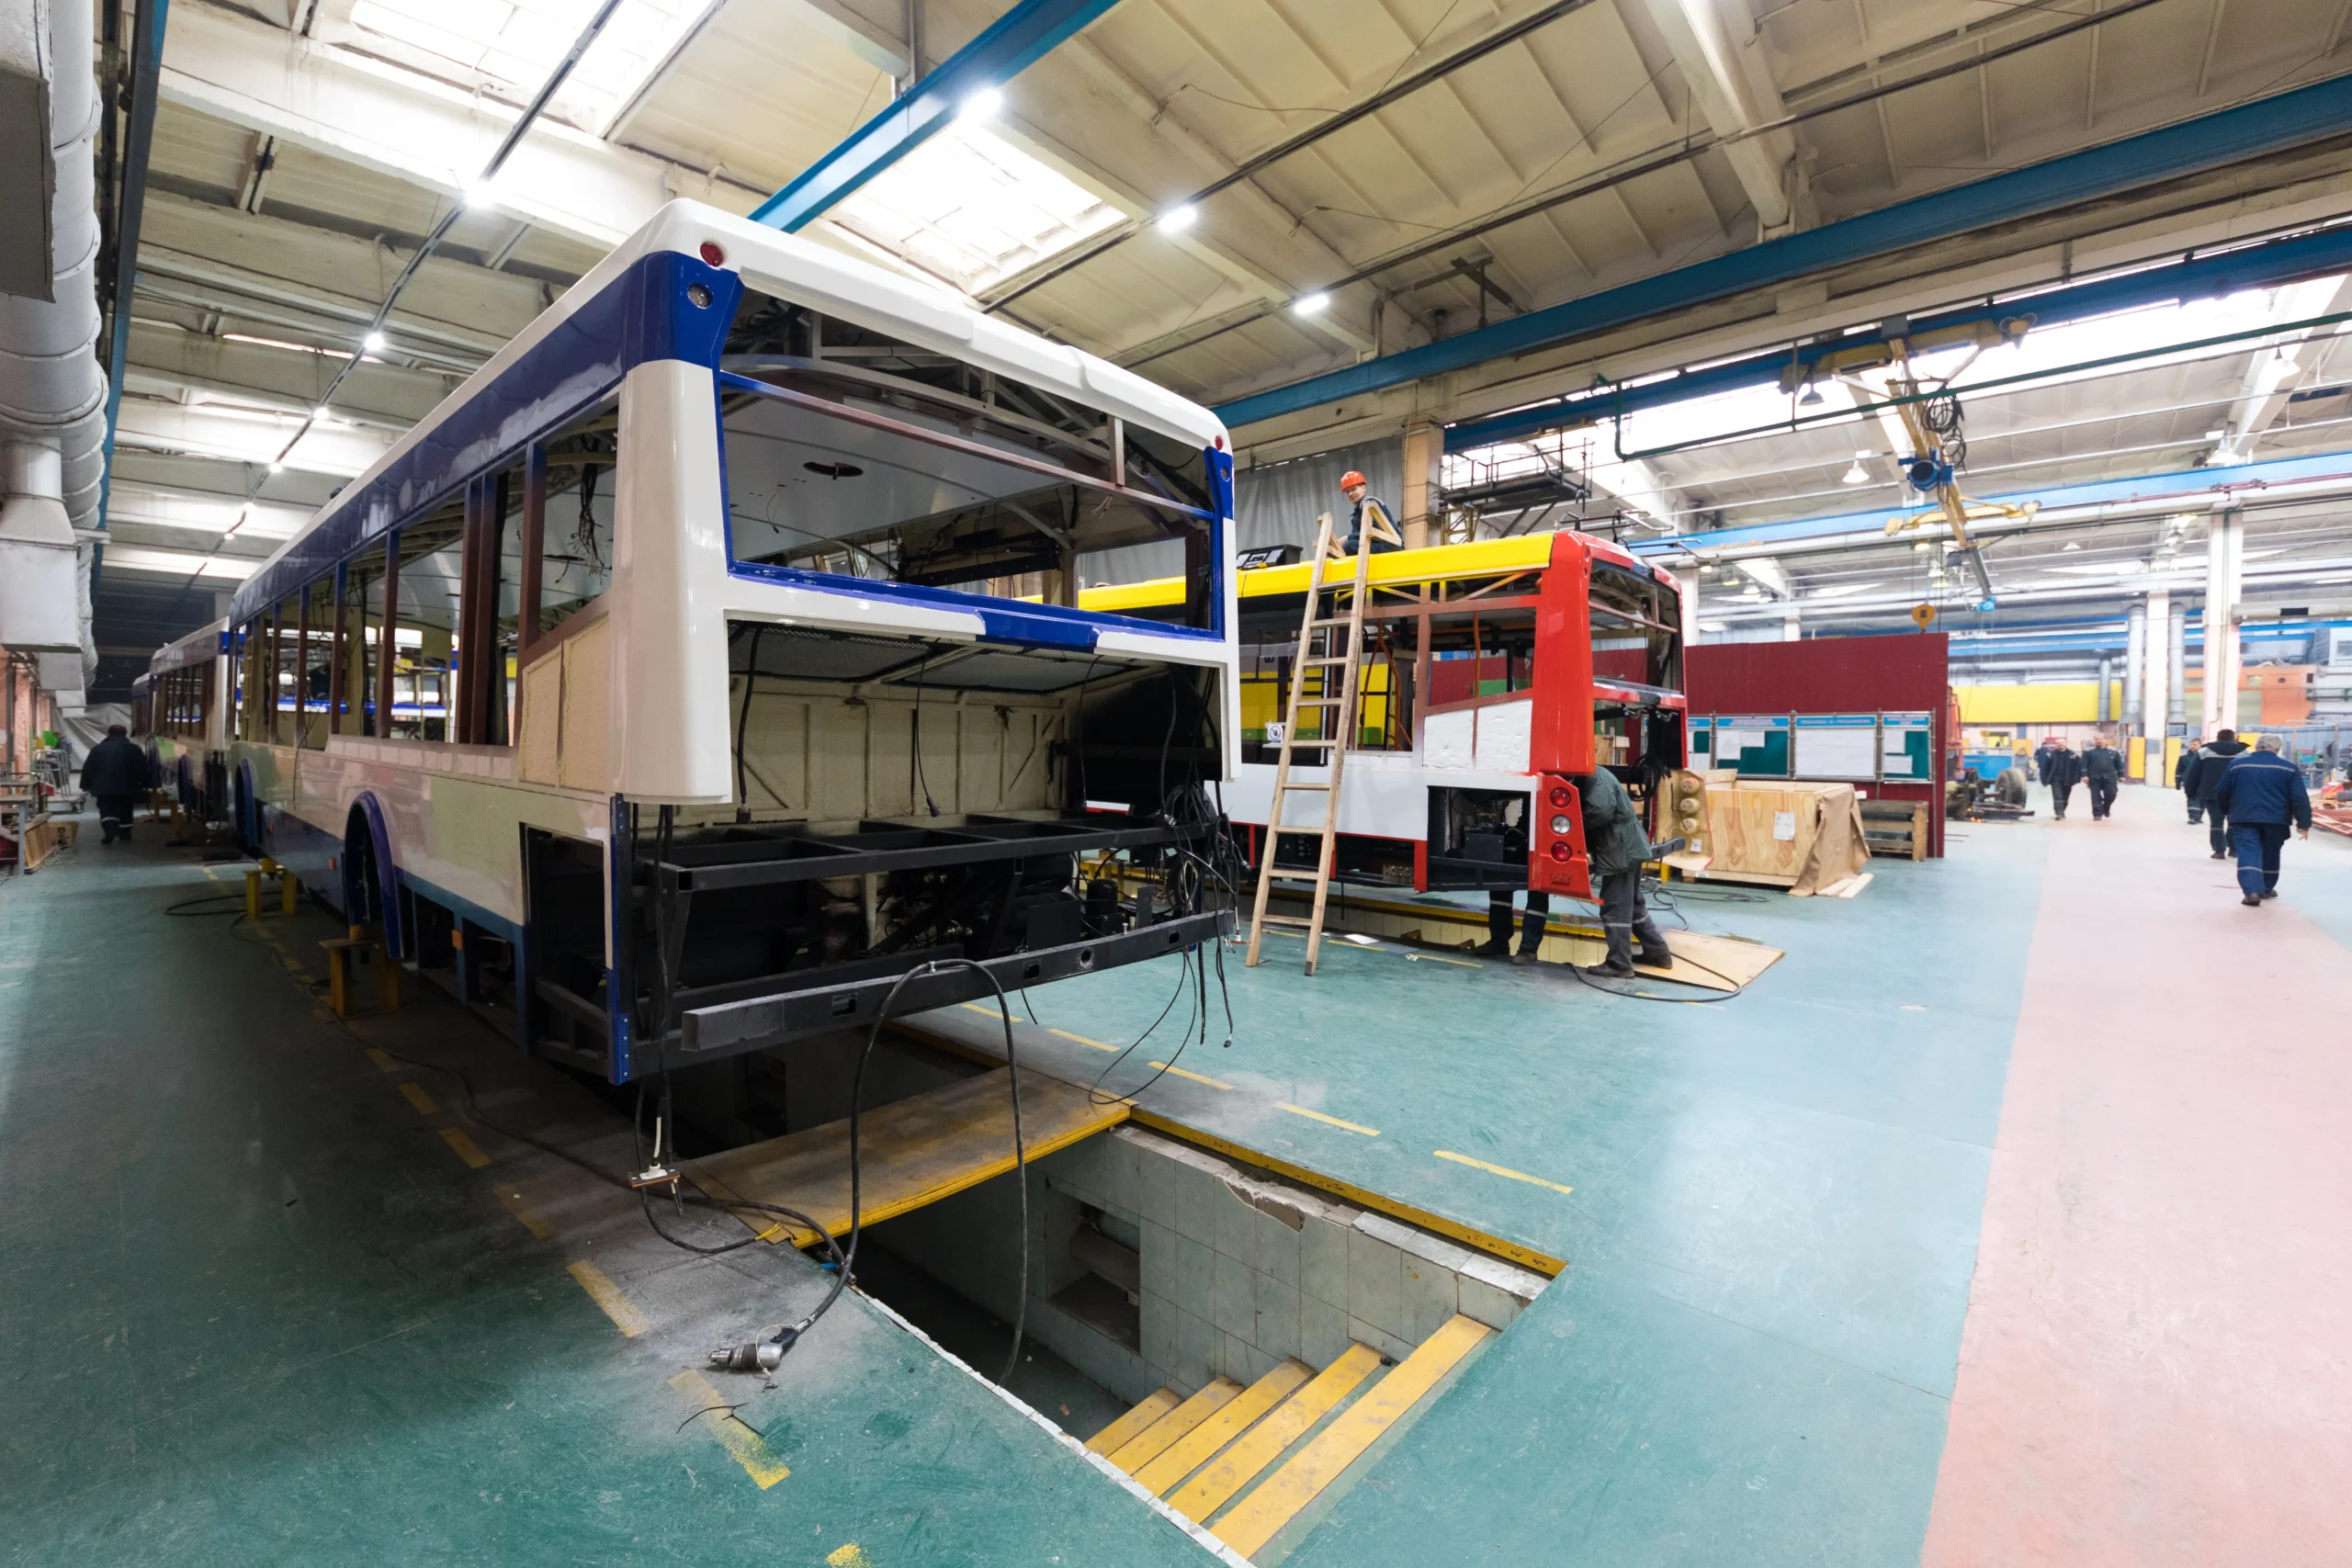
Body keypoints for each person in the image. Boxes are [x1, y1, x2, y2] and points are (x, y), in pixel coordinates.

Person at [1578, 764, 1671, 976]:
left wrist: (1571, 823)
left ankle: (1619, 964)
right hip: (1626, 845)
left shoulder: (1595, 777)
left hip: (1620, 848)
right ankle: (1658, 953)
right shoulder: (1593, 775)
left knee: (1616, 905)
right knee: (1634, 905)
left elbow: (1600, 812)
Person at [2211, 734, 2311, 906]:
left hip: (2244, 817)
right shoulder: (2288, 768)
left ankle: (2252, 892)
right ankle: (2265, 888)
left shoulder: (2237, 765)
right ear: (2277, 749)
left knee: (2249, 852)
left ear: (2257, 746)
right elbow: (2299, 797)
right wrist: (2304, 822)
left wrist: (2226, 811)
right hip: (2277, 819)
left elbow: (2221, 790)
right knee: (2271, 851)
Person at [79, 724, 150, 843]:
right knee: (126, 809)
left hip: (103, 786)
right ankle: (125, 834)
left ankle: (109, 830)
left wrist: (85, 784)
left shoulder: (98, 749)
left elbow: (88, 767)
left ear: (109, 734)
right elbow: (142, 768)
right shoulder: (134, 749)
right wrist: (146, 783)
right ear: (125, 734)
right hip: (128, 786)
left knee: (106, 808)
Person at [2185, 729, 2249, 857]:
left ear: (2217, 737)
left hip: (2212, 792)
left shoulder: (2205, 752)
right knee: (2234, 821)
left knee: (2216, 821)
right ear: (2234, 738)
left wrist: (2190, 791)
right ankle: (2234, 849)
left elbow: (2193, 773)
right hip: (2237, 793)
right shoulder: (2245, 753)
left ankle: (2219, 850)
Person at [1339, 470, 1400, 556]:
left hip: (1388, 546)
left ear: (1363, 488)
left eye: (1353, 489)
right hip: (1377, 545)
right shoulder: (1357, 514)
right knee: (1339, 550)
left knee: (1349, 546)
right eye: (1347, 491)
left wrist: (1347, 538)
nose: (1350, 494)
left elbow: (1375, 531)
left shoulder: (1370, 504)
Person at [2081, 734, 2124, 820]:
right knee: (2095, 797)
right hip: (2094, 777)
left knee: (2112, 794)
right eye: (2097, 739)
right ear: (2094, 741)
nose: (2099, 740)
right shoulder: (2088, 752)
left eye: (2101, 738)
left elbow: (2118, 764)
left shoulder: (2113, 751)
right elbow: (2084, 764)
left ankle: (2106, 807)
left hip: (2110, 777)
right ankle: (2097, 814)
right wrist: (2084, 775)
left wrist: (2121, 775)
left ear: (2105, 740)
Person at [2044, 739, 2082, 819]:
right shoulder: (2050, 755)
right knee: (2058, 796)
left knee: (2065, 797)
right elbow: (2045, 768)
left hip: (2068, 779)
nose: (2060, 744)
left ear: (2065, 744)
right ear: (2055, 745)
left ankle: (2062, 810)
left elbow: (2078, 767)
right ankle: (2059, 813)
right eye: (2058, 743)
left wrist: (2077, 778)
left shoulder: (2072, 754)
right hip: (2055, 779)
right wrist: (2045, 779)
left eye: (2062, 743)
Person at [2176, 738, 2204, 822]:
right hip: (2189, 781)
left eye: (2195, 745)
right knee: (2192, 798)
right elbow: (2179, 770)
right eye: (2191, 744)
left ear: (2200, 745)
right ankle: (2192, 817)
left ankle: (2198, 817)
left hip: (2202, 782)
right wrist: (2178, 782)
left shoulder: (2204, 758)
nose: (2192, 746)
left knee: (2202, 800)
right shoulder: (2183, 758)